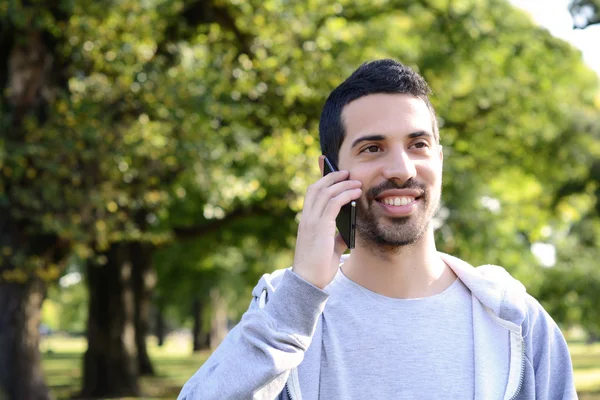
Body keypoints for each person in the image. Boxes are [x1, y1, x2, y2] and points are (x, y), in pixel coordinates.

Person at [178, 59, 577, 399]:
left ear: (439, 159)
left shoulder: (515, 321)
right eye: (372, 148)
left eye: (418, 144)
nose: (402, 169)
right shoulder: (283, 308)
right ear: (329, 173)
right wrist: (299, 294)